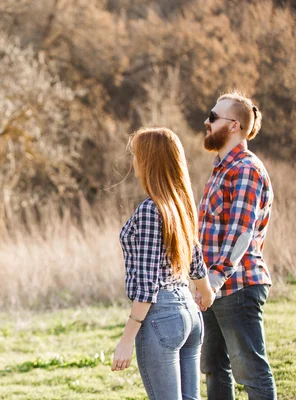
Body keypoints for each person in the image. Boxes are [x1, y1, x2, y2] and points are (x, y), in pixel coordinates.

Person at [112, 127, 215, 400]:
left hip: (162, 318)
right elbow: (194, 259)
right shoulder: (180, 205)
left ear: (149, 162)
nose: (133, 161)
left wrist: (126, 341)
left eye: (136, 155)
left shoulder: (150, 209)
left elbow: (147, 285)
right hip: (190, 316)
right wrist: (206, 293)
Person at [197, 90, 277, 399]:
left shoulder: (245, 168)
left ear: (233, 126)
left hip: (237, 287)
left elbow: (241, 233)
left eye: (213, 116)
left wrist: (213, 280)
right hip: (214, 288)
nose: (207, 121)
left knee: (251, 374)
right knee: (215, 368)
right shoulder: (221, 168)